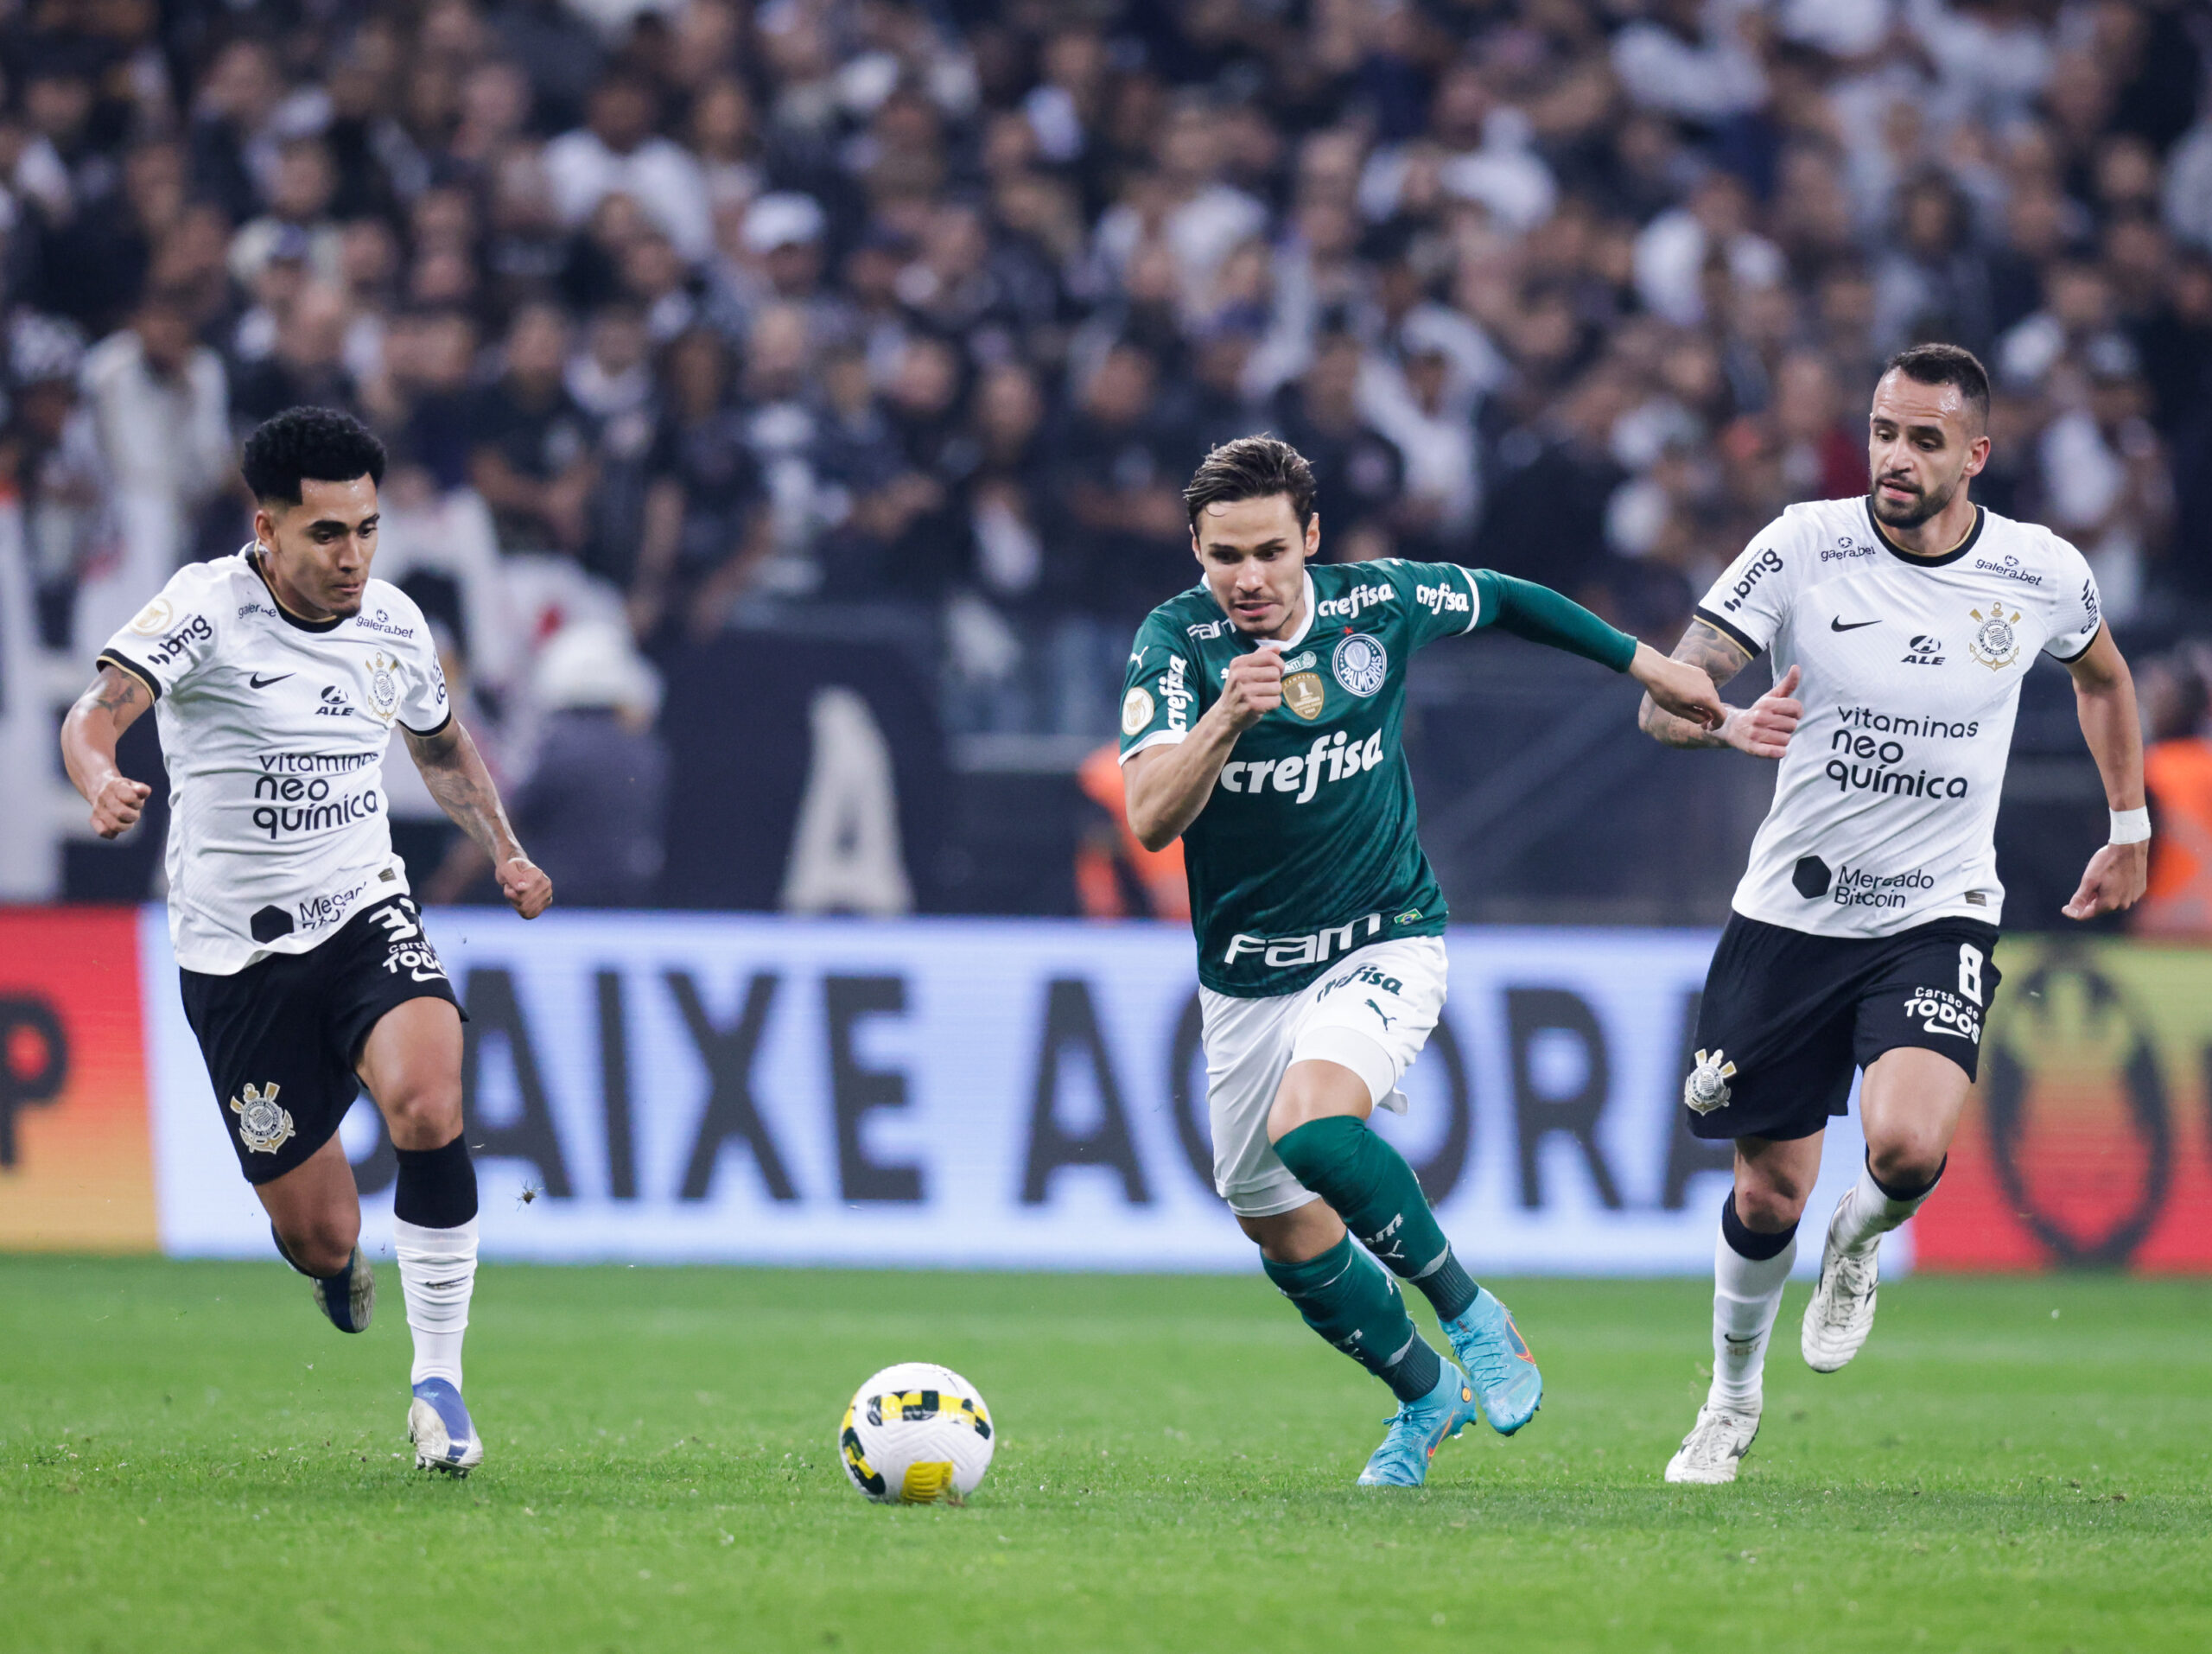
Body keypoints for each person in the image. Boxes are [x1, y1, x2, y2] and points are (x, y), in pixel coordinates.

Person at [1118, 436, 1723, 1486]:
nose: (1248, 578)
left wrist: (1657, 667)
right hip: (1248, 975)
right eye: (1224, 556)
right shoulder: (1176, 645)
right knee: (1272, 1220)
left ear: (1311, 538)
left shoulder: (1377, 605)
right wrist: (1225, 717)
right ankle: (1426, 1397)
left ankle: (1474, 1316)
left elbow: (1510, 599)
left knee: (1312, 1125)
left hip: (1384, 934)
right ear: (1196, 550)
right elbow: (1149, 819)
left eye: (1269, 550)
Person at [1636, 344, 2149, 1485]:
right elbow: (1667, 696)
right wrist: (1720, 722)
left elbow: (2105, 677)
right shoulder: (1801, 546)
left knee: (1908, 1146)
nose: (1896, 458)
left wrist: (2130, 823)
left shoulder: (2039, 571)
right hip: (1790, 916)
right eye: (1883, 431)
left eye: (1924, 439)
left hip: (1939, 910)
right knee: (1768, 1187)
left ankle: (1858, 1246)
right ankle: (1729, 1396)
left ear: (1976, 454)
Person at [57, 407, 554, 1478]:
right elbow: (93, 715)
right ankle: (335, 1274)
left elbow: (442, 744)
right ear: (267, 528)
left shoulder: (395, 624)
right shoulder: (204, 608)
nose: (353, 557)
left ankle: (439, 1386)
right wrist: (101, 780)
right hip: (234, 956)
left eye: (367, 530)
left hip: (362, 907)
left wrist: (505, 851)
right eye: (328, 534)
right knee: (320, 1232)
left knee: (430, 1100)